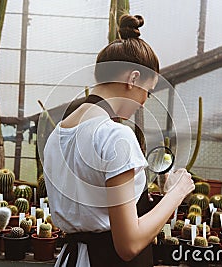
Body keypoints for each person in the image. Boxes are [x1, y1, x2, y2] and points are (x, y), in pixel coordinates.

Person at [43, 14, 195, 267]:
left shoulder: (58, 133)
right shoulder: (115, 135)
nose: (145, 100)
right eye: (148, 90)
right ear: (133, 79)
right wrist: (177, 193)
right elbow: (129, 244)